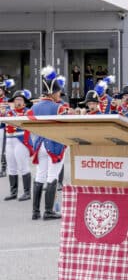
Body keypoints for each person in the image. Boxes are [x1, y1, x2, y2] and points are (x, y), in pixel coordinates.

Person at [27, 66, 69, 220]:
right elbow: (69, 118)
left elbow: (27, 118)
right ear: (52, 93)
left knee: (40, 176)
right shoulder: (59, 107)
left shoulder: (34, 107)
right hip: (54, 145)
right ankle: (48, 211)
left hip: (39, 145)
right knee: (53, 176)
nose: (59, 95)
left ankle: (35, 212)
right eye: (58, 92)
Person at [2, 89, 33, 201]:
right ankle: (13, 192)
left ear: (24, 102)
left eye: (20, 99)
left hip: (21, 141)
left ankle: (27, 192)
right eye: (16, 100)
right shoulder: (8, 112)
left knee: (23, 166)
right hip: (9, 141)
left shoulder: (28, 112)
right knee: (11, 167)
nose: (18, 102)